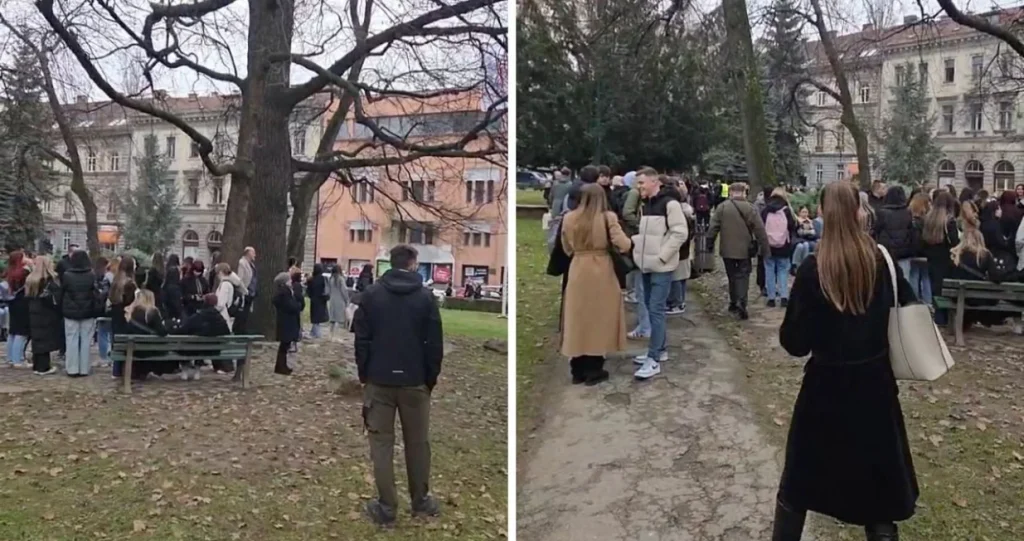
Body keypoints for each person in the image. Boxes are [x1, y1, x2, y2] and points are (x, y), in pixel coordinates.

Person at [772, 181, 918, 541]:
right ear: (858, 212)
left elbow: (795, 343)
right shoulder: (880, 261)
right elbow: (909, 308)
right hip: (874, 386)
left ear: (823, 212)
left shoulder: (812, 269)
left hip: (825, 388)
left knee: (799, 483)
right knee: (878, 488)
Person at [353, 244, 444, 526]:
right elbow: (434, 344)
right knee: (417, 443)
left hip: (379, 378)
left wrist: (365, 372)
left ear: (390, 263)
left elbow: (361, 340)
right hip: (414, 380)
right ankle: (420, 500)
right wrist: (430, 378)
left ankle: (387, 506)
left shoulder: (371, 296)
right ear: (413, 264)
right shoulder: (425, 298)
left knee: (381, 444)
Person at [558, 183, 633, 384]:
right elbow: (624, 244)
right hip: (602, 269)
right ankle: (594, 369)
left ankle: (577, 368)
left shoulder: (569, 218)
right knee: (600, 318)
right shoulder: (608, 218)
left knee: (578, 317)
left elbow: (566, 247)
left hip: (578, 268)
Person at [630, 168, 687, 380]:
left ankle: (653, 359)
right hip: (646, 265)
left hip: (661, 267)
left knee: (655, 309)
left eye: (642, 183)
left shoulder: (670, 204)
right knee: (650, 306)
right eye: (638, 183)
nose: (639, 187)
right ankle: (659, 350)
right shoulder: (646, 205)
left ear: (655, 182)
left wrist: (663, 256)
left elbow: (680, 232)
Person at [708, 183, 771, 320]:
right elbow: (760, 230)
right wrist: (765, 249)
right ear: (744, 193)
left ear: (731, 192)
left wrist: (709, 244)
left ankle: (733, 302)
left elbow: (713, 228)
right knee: (743, 276)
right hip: (745, 250)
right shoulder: (750, 208)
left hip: (727, 249)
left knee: (732, 276)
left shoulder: (722, 207)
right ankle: (742, 301)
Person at [921, 191, 960, 325]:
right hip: (946, 257)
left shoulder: (928, 218)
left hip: (931, 257)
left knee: (934, 287)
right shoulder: (949, 221)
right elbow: (954, 241)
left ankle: (938, 316)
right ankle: (945, 316)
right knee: (945, 288)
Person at [171, 293, 230, 380]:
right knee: (199, 346)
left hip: (194, 349)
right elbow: (227, 333)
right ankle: (197, 371)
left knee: (184, 345)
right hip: (213, 350)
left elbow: (182, 331)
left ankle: (185, 371)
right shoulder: (220, 319)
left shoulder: (197, 317)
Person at [872, 186, 918, 297]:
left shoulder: (881, 213)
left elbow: (875, 230)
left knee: (887, 281)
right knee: (904, 281)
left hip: (887, 252)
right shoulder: (908, 213)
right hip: (904, 253)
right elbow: (912, 232)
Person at [60, 250, 99, 376]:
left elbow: (63, 291)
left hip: (70, 311)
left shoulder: (67, 275)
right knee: (86, 340)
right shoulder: (91, 275)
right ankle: (84, 368)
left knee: (71, 339)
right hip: (88, 311)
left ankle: (72, 368)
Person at [125, 289, 174, 381]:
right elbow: (162, 332)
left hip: (133, 348)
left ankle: (140, 372)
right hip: (149, 348)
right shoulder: (151, 312)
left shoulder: (131, 312)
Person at [761, 188, 798, 307]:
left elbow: (760, 226)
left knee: (769, 270)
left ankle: (771, 297)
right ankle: (784, 297)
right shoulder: (786, 210)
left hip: (768, 246)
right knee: (783, 271)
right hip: (784, 246)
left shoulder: (766, 210)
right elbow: (793, 226)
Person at [26, 256, 62, 376]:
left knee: (37, 339)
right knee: (45, 340)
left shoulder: (31, 279)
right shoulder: (48, 280)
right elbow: (57, 296)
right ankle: (43, 367)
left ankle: (37, 365)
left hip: (33, 311)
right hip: (46, 312)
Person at [668, 182, 696, 315]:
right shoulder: (688, 211)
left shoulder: (680, 213)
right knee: (682, 277)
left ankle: (677, 303)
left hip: (679, 250)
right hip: (684, 250)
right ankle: (681, 301)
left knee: (677, 278)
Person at [109, 257, 139, 379]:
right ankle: (126, 370)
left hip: (115, 314)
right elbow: (131, 301)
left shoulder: (116, 281)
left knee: (117, 342)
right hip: (126, 315)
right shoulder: (130, 284)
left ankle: (116, 370)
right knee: (126, 343)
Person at [272, 271, 304, 375]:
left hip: (286, 322)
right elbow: (290, 306)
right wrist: (298, 306)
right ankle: (281, 367)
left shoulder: (285, 292)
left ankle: (282, 365)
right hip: (286, 322)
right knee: (284, 346)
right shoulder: (284, 293)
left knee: (285, 346)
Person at [5, 250, 30, 367]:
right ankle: (17, 360)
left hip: (12, 302)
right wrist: (31, 264)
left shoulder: (10, 271)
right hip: (22, 303)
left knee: (13, 331)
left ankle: (10, 357)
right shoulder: (24, 272)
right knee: (21, 332)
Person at [907, 192, 932, 304]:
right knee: (926, 278)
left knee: (914, 276)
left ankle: (914, 302)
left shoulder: (910, 219)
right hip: (927, 252)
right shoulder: (929, 220)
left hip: (913, 253)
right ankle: (928, 303)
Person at [327, 265, 351, 337]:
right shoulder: (341, 279)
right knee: (338, 319)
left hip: (332, 300)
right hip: (340, 301)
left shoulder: (330, 279)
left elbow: (328, 291)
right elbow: (344, 290)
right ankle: (336, 336)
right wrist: (347, 300)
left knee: (332, 319)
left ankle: (330, 335)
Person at [307, 263, 330, 339]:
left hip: (314, 300)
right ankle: (316, 333)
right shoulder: (323, 279)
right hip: (322, 300)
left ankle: (315, 332)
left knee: (315, 317)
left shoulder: (311, 279)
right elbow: (326, 289)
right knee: (319, 318)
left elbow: (308, 291)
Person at [163, 254, 184, 321]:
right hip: (175, 289)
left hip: (167, 290)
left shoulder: (167, 268)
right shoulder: (177, 269)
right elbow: (180, 280)